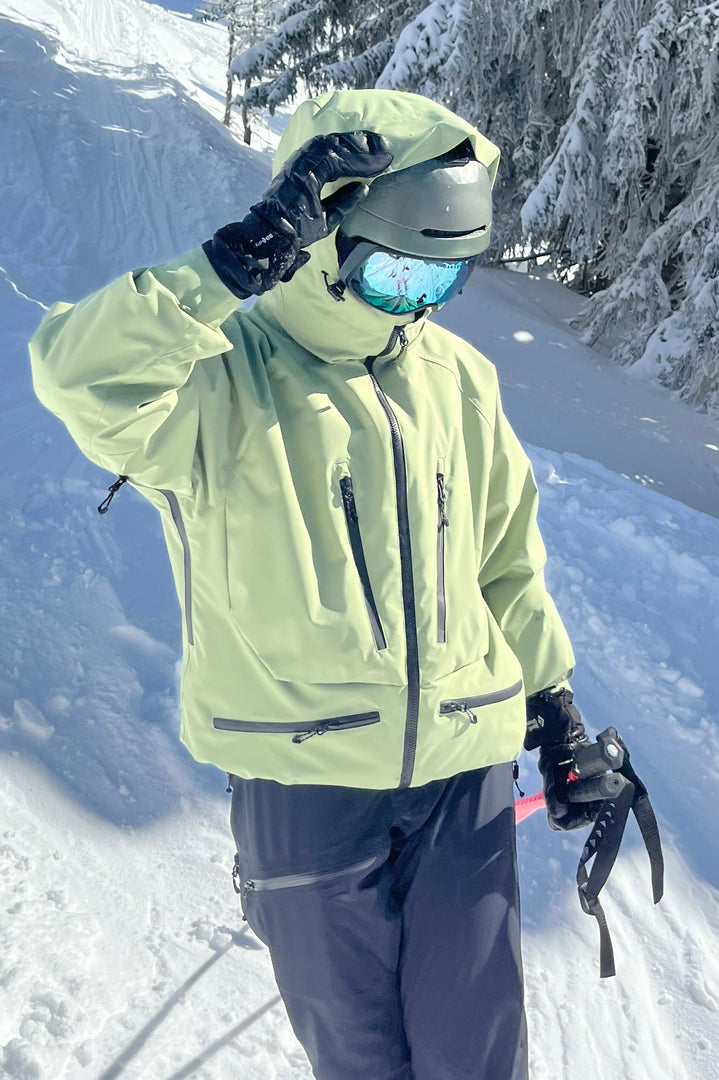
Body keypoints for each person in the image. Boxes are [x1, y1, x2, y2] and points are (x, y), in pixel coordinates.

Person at [29, 89, 612, 1080]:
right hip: (305, 780)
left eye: (444, 276)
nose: (418, 305)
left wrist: (552, 708)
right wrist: (221, 271)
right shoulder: (219, 380)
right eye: (394, 272)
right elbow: (77, 377)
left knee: (479, 1058)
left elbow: (503, 559)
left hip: (464, 776)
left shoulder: (458, 378)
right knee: (362, 1060)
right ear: (324, 242)